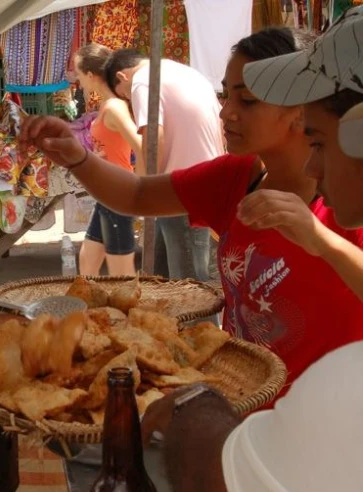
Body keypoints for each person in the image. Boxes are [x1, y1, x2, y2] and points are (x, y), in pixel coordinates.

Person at [18, 27, 363, 390]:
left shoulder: (348, 197)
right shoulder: (237, 178)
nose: (225, 113)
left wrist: (321, 239)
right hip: (244, 403)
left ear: (300, 110)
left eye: (247, 101)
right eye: (226, 96)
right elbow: (137, 195)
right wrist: (77, 157)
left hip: (328, 417)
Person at [139, 11, 363, 492]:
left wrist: (195, 415)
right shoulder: (242, 177)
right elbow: (135, 194)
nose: (310, 164)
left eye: (319, 139)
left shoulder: (343, 393)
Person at [104, 48, 225, 281]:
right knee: (161, 275)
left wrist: (141, 190)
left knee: (189, 284)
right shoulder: (186, 73)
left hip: (184, 189)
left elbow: (152, 142)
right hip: (203, 183)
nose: (129, 100)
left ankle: (194, 319)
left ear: (122, 76)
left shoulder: (143, 81)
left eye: (125, 96)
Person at [73, 44, 143, 277]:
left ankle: (130, 313)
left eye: (79, 73)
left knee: (121, 274)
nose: (78, 80)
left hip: (118, 193)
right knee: (88, 263)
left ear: (91, 75)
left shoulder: (114, 107)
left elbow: (141, 145)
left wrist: (141, 188)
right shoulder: (106, 106)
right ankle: (91, 311)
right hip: (107, 194)